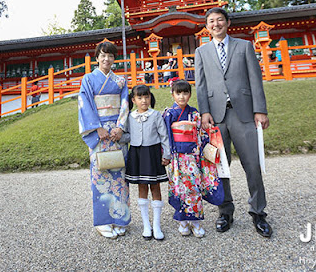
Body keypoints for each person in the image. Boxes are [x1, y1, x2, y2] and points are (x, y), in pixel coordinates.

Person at [194, 7, 272, 238]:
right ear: (207, 26)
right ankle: (225, 211)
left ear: (228, 22)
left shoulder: (244, 46)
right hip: (217, 117)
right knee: (220, 166)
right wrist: (204, 112)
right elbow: (201, 85)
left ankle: (258, 212)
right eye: (211, 21)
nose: (216, 24)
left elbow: (255, 79)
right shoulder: (202, 52)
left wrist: (260, 110)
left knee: (253, 165)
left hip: (244, 113)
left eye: (219, 20)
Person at [78, 41, 131, 239]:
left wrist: (120, 127)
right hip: (99, 133)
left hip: (116, 134)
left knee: (120, 177)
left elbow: (125, 104)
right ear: (97, 57)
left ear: (114, 58)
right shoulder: (88, 79)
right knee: (100, 176)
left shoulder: (120, 81)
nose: (106, 59)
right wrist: (97, 128)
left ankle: (120, 219)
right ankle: (103, 222)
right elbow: (85, 105)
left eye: (110, 55)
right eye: (102, 55)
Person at [163, 79, 221, 238]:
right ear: (172, 94)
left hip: (192, 157)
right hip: (177, 157)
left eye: (185, 93)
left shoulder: (194, 113)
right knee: (179, 189)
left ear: (189, 94)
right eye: (178, 93)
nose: (182, 97)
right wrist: (167, 154)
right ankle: (182, 222)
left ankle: (196, 223)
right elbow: (166, 136)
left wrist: (205, 148)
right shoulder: (169, 114)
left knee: (194, 188)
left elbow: (200, 135)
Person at [124, 84, 170, 240]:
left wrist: (167, 154)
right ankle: (146, 225)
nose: (143, 100)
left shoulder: (156, 115)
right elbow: (127, 135)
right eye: (139, 97)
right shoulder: (129, 117)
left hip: (153, 153)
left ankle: (156, 225)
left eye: (146, 96)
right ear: (133, 100)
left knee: (155, 186)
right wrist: (115, 135)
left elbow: (164, 136)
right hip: (137, 154)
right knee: (142, 186)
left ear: (150, 97)